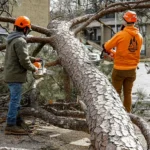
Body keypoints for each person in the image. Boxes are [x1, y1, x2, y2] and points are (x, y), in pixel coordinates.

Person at [4, 16, 40, 135]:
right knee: (15, 100)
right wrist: (34, 68)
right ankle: (10, 125)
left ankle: (17, 120)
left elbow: (20, 56)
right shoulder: (20, 41)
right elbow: (23, 61)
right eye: (27, 29)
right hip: (15, 75)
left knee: (16, 100)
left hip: (11, 74)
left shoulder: (12, 39)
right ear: (25, 29)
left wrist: (34, 59)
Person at [103, 11, 143, 113]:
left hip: (119, 69)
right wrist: (115, 53)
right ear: (135, 22)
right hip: (132, 70)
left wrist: (109, 50)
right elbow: (129, 53)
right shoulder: (139, 37)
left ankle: (117, 115)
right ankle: (127, 115)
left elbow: (107, 46)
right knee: (127, 94)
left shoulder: (121, 34)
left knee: (116, 93)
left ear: (124, 22)